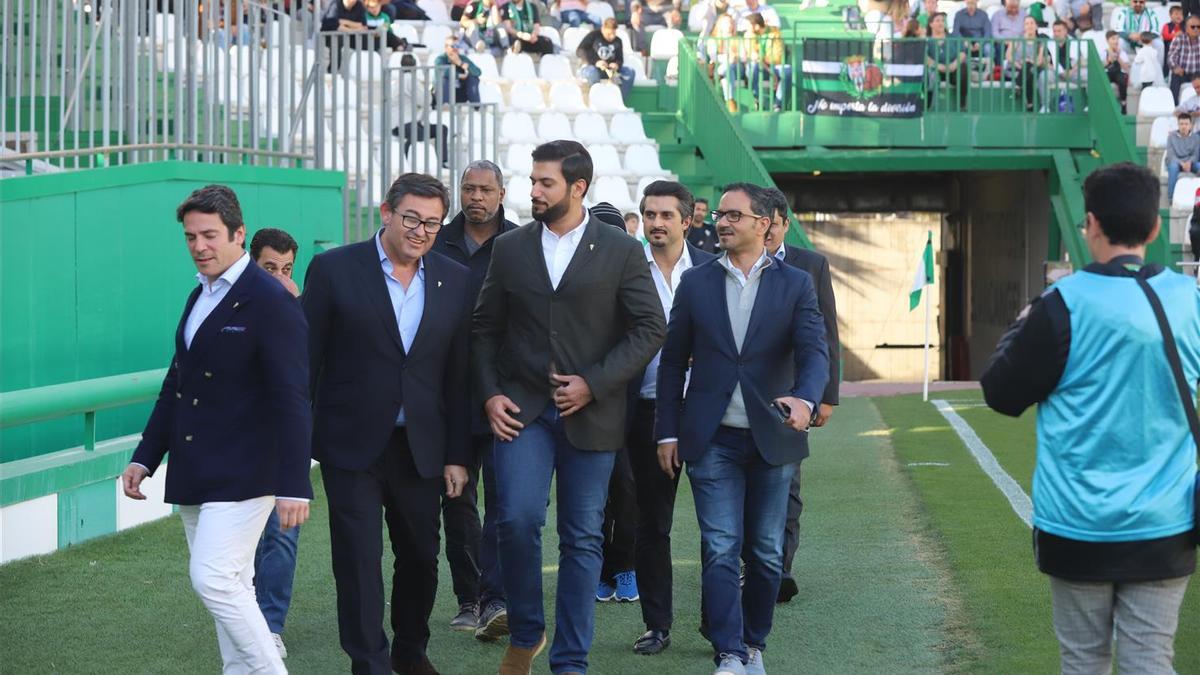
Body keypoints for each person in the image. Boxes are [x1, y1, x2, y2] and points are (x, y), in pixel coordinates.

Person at [980, 161, 1198, 675]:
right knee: (1150, 660)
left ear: (1092, 224)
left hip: (1078, 523)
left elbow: (1001, 394)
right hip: (1166, 521)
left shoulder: (1062, 303)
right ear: (1153, 228)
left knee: (1083, 662)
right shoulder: (1190, 299)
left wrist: (1020, 325)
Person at [472, 140, 666, 675]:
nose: (533, 190)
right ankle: (527, 632)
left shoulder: (622, 249)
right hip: (522, 412)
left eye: (545, 183)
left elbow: (651, 327)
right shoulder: (510, 249)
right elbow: (484, 329)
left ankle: (571, 660)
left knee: (582, 539)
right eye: (532, 181)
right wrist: (490, 393)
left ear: (578, 187)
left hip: (594, 414)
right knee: (516, 520)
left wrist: (594, 383)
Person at [121, 185, 312, 675]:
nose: (199, 246)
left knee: (214, 579)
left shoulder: (271, 300)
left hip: (249, 470)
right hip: (195, 468)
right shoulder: (199, 293)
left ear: (238, 234)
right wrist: (146, 456)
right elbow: (176, 383)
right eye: (191, 237)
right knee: (233, 583)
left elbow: (293, 397)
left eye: (209, 235)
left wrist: (295, 484)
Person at [303, 173, 472, 675]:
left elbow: (458, 374)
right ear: (386, 212)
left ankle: (410, 651)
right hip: (350, 445)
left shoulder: (454, 278)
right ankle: (369, 662)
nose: (420, 231)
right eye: (412, 218)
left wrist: (458, 454)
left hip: (420, 447)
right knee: (357, 560)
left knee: (421, 556)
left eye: (433, 223)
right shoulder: (333, 270)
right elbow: (305, 363)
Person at [656, 181, 827, 675]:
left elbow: (816, 352)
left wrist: (808, 400)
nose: (722, 222)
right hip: (711, 439)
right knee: (719, 546)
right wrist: (667, 432)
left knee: (768, 552)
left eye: (734, 215)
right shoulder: (697, 283)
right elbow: (671, 364)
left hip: (774, 437)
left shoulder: (796, 283)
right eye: (721, 215)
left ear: (764, 223)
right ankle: (729, 651)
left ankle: (755, 643)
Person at [627, 180, 718, 656]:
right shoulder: (625, 270)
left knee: (716, 526)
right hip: (643, 415)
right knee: (652, 524)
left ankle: (715, 621)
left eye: (665, 215)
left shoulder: (712, 270)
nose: (656, 223)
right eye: (649, 214)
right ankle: (657, 623)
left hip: (705, 414)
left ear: (688, 220)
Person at [431, 160, 520, 640]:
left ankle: (497, 598)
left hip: (504, 395)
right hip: (446, 396)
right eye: (468, 188)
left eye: (485, 189)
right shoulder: (435, 242)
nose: (476, 197)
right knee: (457, 503)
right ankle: (469, 598)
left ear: (502, 194)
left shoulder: (521, 243)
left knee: (506, 502)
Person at [761, 188, 840, 605]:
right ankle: (752, 564)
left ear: (785, 224)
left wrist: (826, 396)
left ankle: (780, 569)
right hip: (746, 394)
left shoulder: (811, 265)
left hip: (795, 395)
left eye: (774, 223)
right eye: (762, 222)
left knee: (788, 485)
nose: (768, 230)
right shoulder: (731, 265)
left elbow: (827, 334)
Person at [247, 227, 302, 658]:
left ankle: (269, 626)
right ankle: (245, 619)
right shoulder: (232, 304)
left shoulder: (297, 309)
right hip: (239, 444)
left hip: (286, 444)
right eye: (270, 268)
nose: (281, 278)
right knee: (242, 541)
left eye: (287, 268)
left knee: (283, 536)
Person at [578, 18, 636, 100]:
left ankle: (619, 99)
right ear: (603, 29)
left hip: (610, 70)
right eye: (609, 34)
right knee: (592, 73)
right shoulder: (594, 36)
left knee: (630, 72)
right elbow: (580, 51)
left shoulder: (618, 41)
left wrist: (617, 64)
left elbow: (620, 58)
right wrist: (596, 62)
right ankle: (596, 100)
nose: (612, 37)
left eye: (614, 33)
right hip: (592, 67)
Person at [744, 13, 790, 111]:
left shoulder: (775, 33)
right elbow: (752, 55)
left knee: (788, 70)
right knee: (753, 66)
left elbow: (778, 56)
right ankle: (757, 99)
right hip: (760, 67)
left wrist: (763, 59)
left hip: (774, 65)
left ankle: (777, 104)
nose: (746, 27)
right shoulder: (749, 35)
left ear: (756, 25)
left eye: (748, 24)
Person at [926, 13, 969, 110]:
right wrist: (938, 66)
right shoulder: (928, 40)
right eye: (937, 20)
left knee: (963, 68)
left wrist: (954, 64)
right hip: (935, 70)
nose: (941, 23)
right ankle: (928, 106)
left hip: (953, 70)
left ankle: (962, 105)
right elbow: (925, 57)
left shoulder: (953, 37)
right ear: (931, 24)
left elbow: (962, 53)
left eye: (942, 20)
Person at [1007, 15, 1049, 112]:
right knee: (1027, 71)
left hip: (1031, 70)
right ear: (1024, 27)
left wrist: (1029, 62)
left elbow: (1039, 62)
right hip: (1015, 69)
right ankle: (1030, 104)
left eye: (1032, 23)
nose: (1029, 26)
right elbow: (1008, 56)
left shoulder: (1040, 42)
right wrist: (1018, 64)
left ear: (1036, 26)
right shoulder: (1018, 39)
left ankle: (1017, 86)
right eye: (1027, 24)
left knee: (1028, 68)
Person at [435, 35, 482, 104]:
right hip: (444, 94)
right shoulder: (440, 59)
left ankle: (476, 106)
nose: (456, 49)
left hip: (460, 93)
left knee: (473, 78)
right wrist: (459, 75)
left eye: (457, 46)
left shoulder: (462, 58)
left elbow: (478, 72)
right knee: (445, 79)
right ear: (446, 48)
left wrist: (460, 63)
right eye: (453, 46)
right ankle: (445, 107)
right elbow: (444, 72)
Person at [1167, 112, 1200, 201]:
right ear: (1178, 124)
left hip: (1191, 163)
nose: (1183, 126)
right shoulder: (1171, 137)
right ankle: (1171, 198)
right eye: (1181, 124)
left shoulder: (1196, 137)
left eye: (1186, 124)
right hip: (1177, 162)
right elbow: (1170, 155)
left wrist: (1189, 163)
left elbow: (1196, 155)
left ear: (1190, 125)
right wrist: (1182, 163)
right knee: (1173, 167)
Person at [1168, 14, 1200, 103]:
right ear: (1186, 28)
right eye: (1193, 27)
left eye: (1198, 27)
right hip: (1182, 73)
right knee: (1175, 78)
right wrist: (1175, 67)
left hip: (1198, 73)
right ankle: (1174, 106)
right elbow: (1171, 57)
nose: (1196, 29)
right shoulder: (1179, 39)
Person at [1102, 30, 1131, 114]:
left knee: (1122, 80)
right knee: (1104, 79)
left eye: (1117, 39)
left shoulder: (1122, 53)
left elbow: (1126, 68)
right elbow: (1101, 66)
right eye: (1113, 39)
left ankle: (1123, 104)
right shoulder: (1104, 52)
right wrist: (1109, 60)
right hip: (1108, 72)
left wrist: (1118, 57)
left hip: (1119, 72)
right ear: (1108, 40)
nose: (1116, 41)